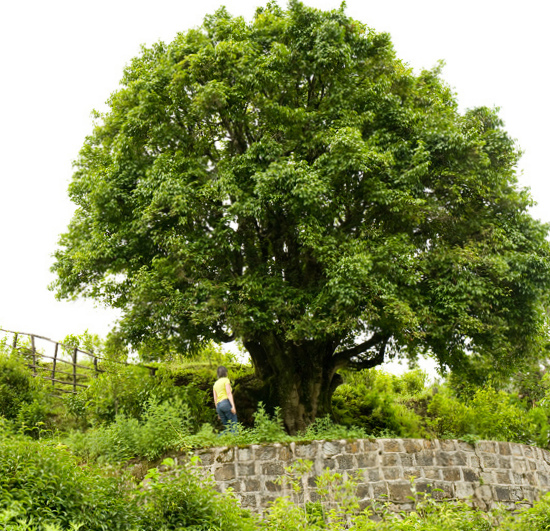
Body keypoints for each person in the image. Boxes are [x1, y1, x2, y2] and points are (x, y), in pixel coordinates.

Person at [213, 366, 238, 432]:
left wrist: (218, 412)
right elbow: (229, 393)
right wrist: (233, 406)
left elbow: (215, 398)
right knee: (233, 425)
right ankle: (235, 440)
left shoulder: (215, 384)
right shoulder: (226, 380)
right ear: (225, 373)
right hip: (226, 403)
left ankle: (217, 440)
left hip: (219, 406)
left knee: (227, 428)